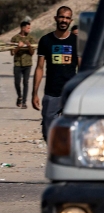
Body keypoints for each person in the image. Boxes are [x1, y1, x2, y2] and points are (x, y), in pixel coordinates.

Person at [32, 7, 78, 140]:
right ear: (56, 18)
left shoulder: (76, 41)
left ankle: (66, 158)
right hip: (51, 93)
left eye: (67, 18)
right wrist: (35, 93)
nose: (64, 20)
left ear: (71, 20)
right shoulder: (46, 40)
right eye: (62, 17)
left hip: (71, 93)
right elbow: (39, 68)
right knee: (48, 132)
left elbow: (82, 68)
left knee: (72, 132)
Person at [10, 19, 35, 109]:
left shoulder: (31, 38)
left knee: (26, 82)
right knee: (17, 82)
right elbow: (12, 53)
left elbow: (32, 53)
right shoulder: (14, 38)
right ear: (23, 28)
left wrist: (29, 46)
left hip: (28, 64)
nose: (29, 30)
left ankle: (24, 102)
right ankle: (19, 97)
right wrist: (18, 47)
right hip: (18, 63)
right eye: (28, 28)